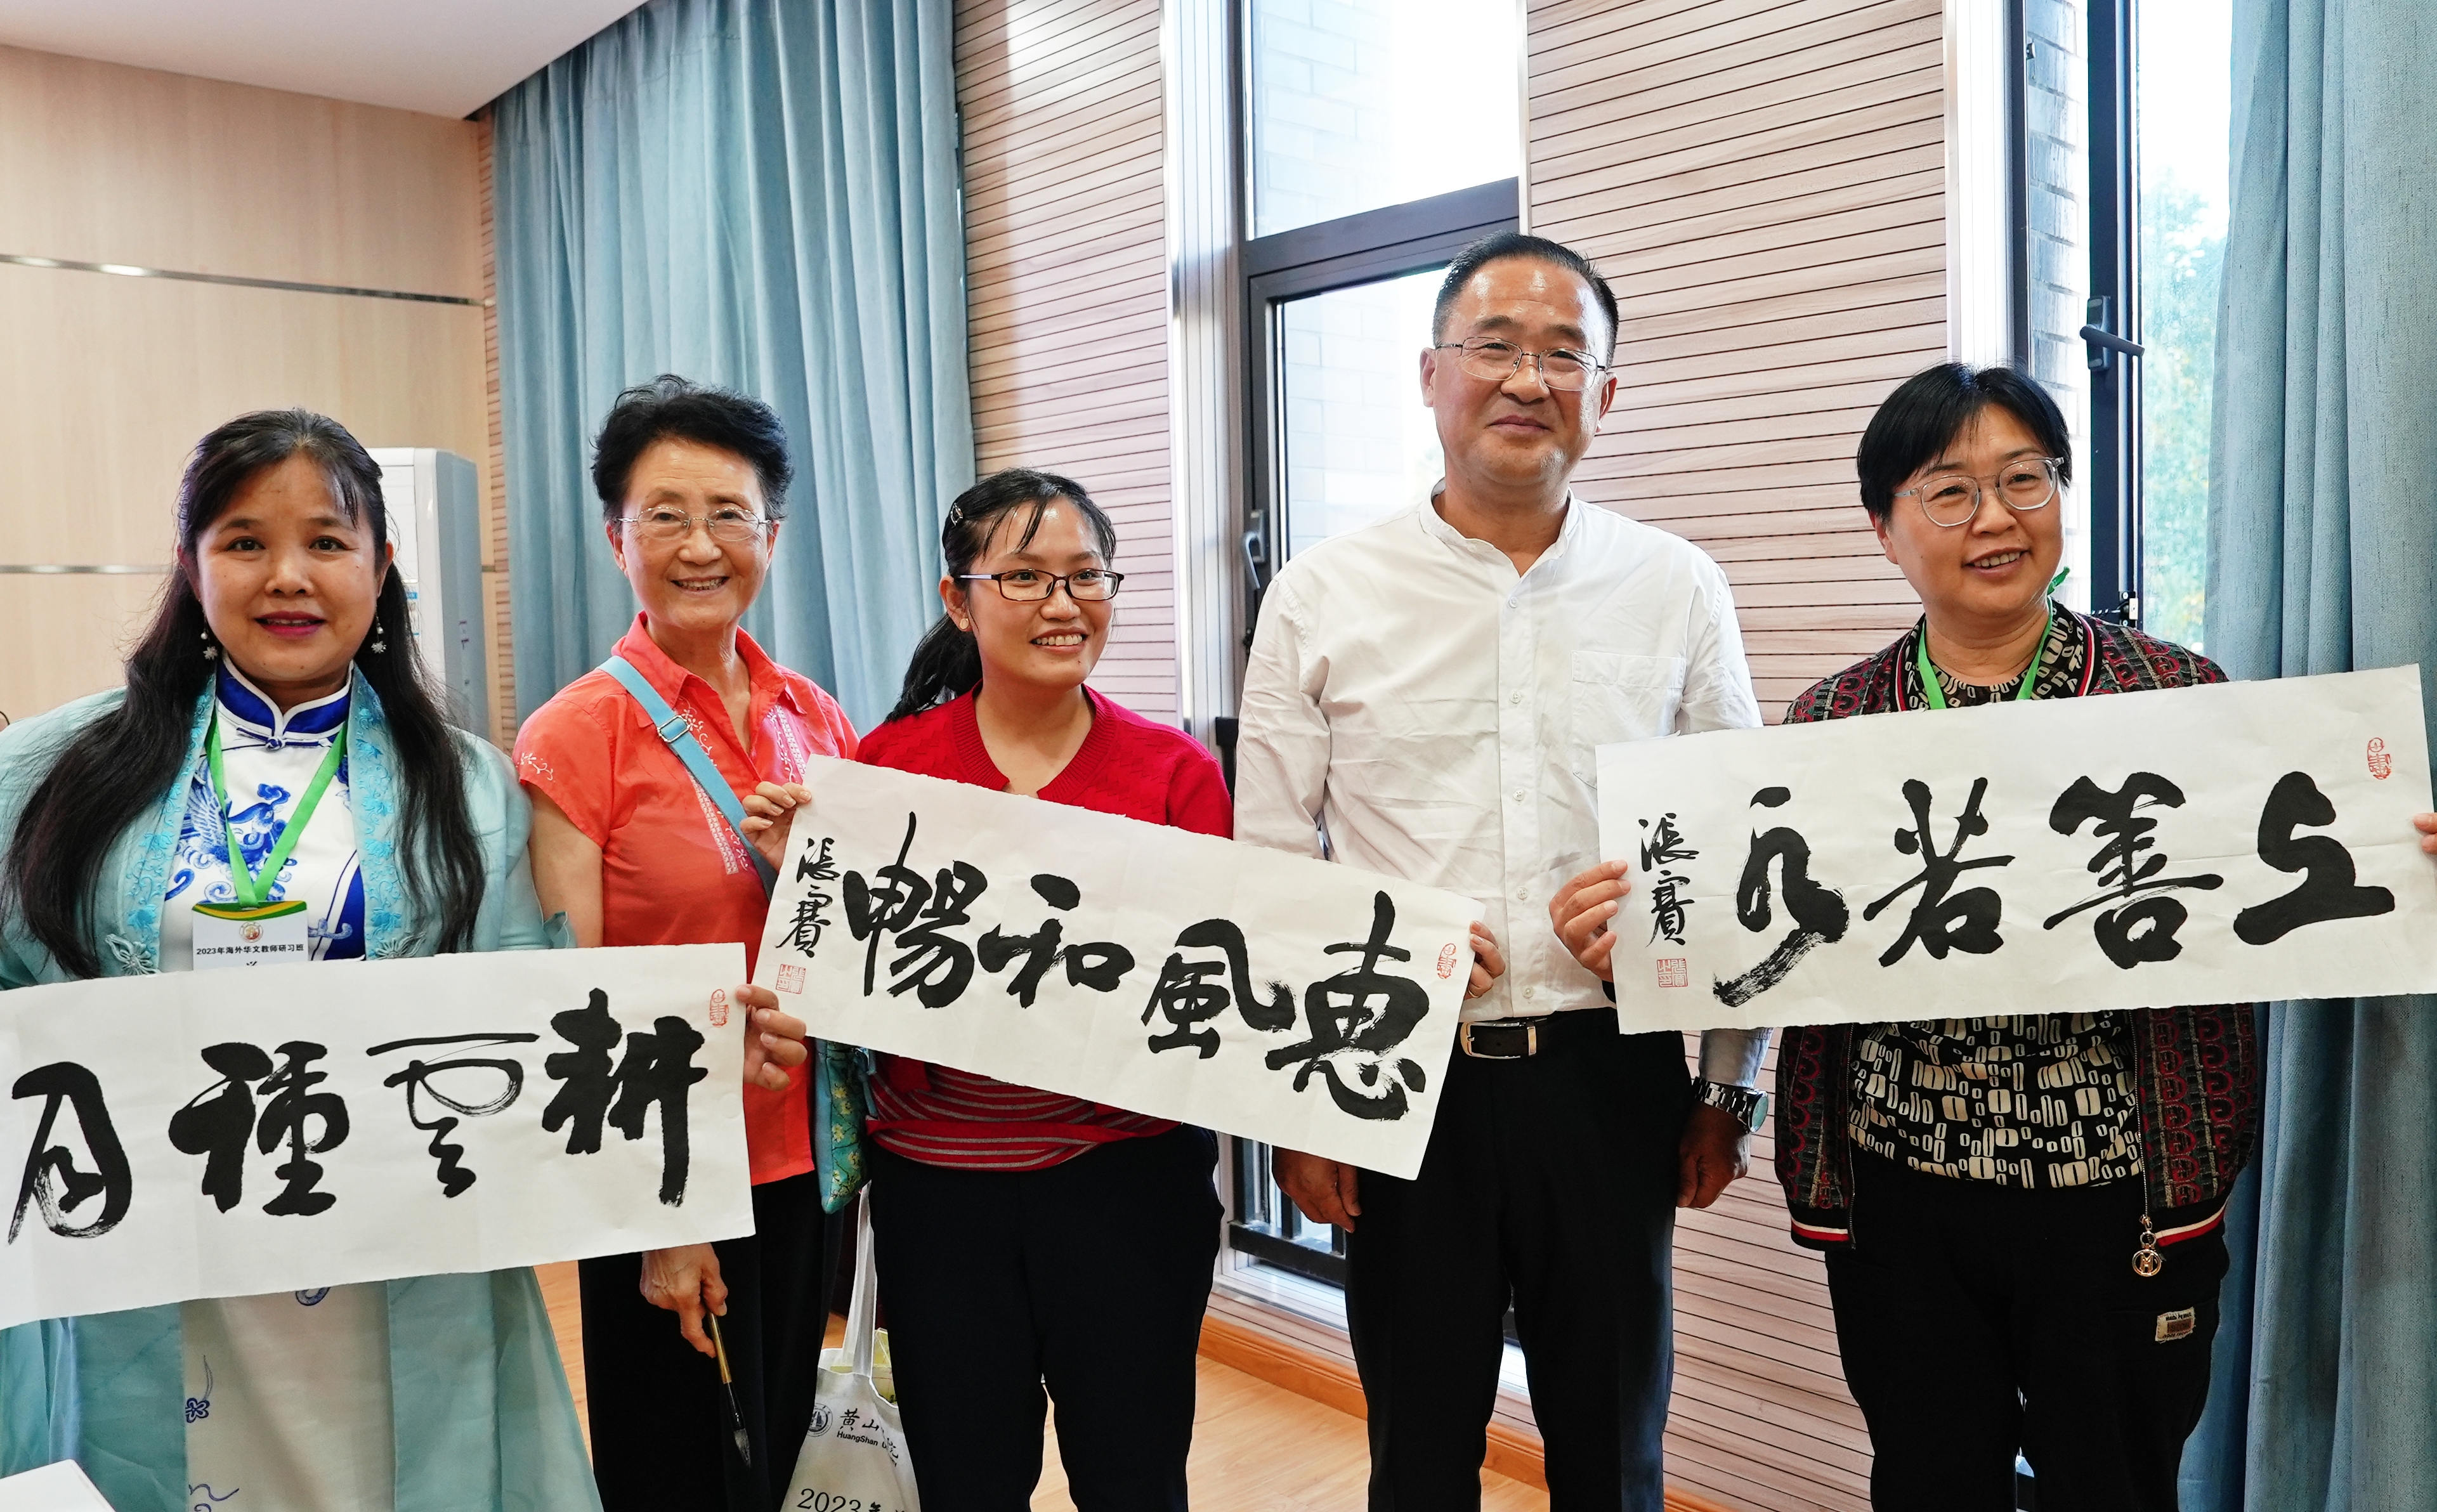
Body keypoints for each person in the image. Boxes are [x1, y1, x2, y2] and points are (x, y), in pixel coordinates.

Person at [0, 409, 752, 1511]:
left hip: (398, 1266)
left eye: (327, 541)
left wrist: (703, 1058)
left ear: (383, 564)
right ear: (190, 565)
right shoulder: (47, 771)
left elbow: (532, 1020)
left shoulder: (469, 785)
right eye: (245, 542)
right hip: (153, 1271)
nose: (288, 577)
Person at [1567, 361, 2257, 1511]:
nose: (1995, 518)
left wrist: (2385, 854)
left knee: (2117, 1487)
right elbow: (1767, 941)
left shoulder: (2177, 698)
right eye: (1948, 491)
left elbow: (2269, 888)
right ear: (1884, 529)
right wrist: (1638, 936)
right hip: (1902, 1193)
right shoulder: (1830, 723)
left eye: (2025, 480)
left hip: (2119, 1197)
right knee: (1929, 1483)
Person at [1235, 231, 1773, 1511]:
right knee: (1419, 1455)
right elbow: (1271, 858)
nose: (1528, 379)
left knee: (1615, 1451)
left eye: (1564, 354)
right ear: (1430, 375)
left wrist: (1724, 1083)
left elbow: (1739, 837)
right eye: (1494, 346)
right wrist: (1293, 1111)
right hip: (1400, 1077)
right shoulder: (1321, 592)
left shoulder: (1675, 585)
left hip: (1611, 1076)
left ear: (1606, 393)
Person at [844, 467, 1228, 1511]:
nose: (1062, 604)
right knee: (966, 1481)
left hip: (1126, 1184)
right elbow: (852, 978)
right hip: (939, 1194)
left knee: (1134, 1477)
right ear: (957, 600)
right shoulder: (886, 767)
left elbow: (1213, 988)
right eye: (1023, 577)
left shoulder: (1175, 774)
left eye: (1084, 576)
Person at [516, 377, 855, 1511]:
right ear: (616, 538)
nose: (700, 546)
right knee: (678, 1472)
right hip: (667, 1170)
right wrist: (659, 1218)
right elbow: (575, 1004)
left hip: (808, 1159)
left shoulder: (816, 717)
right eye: (664, 516)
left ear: (773, 535)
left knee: (786, 1456)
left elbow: (853, 941)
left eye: (729, 515)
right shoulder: (577, 735)